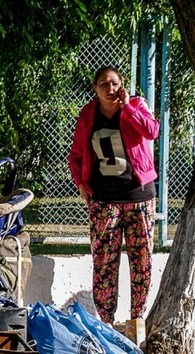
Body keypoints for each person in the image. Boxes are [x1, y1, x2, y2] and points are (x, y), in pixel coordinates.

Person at [68, 66, 160, 330]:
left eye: (115, 84)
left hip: (139, 196)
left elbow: (152, 131)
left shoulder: (137, 105)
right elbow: (75, 155)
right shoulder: (88, 114)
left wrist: (128, 108)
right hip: (103, 200)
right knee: (104, 263)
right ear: (95, 89)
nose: (111, 90)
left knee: (141, 261)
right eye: (104, 85)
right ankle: (106, 325)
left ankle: (136, 323)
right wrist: (82, 185)